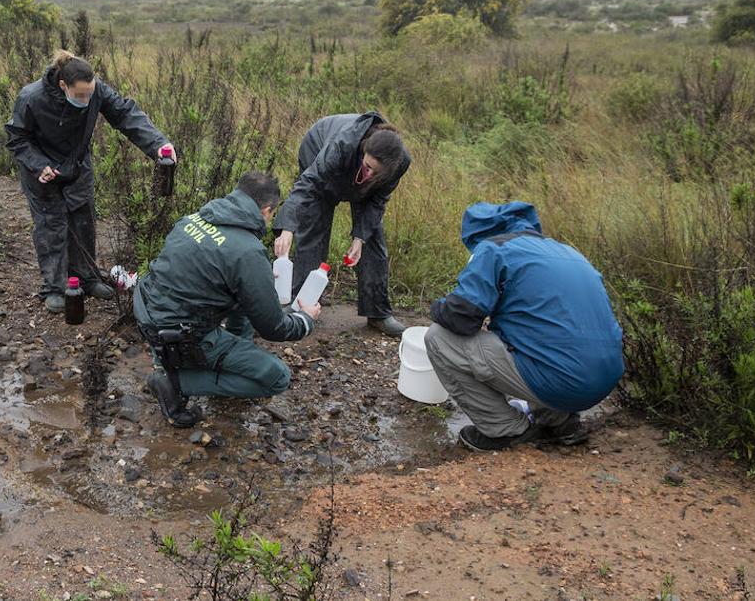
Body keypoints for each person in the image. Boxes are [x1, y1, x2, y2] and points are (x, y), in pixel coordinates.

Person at [427, 201, 624, 452]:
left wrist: (437, 307)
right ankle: (560, 422)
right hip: (604, 380)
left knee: (438, 338)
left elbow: (460, 316)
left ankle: (504, 429)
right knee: (534, 336)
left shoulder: (494, 248)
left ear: (479, 235)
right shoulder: (569, 252)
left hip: (560, 380)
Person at [135, 172, 322, 428]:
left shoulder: (194, 218)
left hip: (147, 315)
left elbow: (206, 273)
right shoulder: (247, 250)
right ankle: (174, 383)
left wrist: (256, 281)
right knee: (277, 377)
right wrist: (305, 320)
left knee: (240, 298)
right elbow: (274, 328)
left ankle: (205, 361)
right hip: (180, 336)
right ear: (267, 210)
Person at [6, 50, 174, 313]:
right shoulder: (32, 97)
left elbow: (125, 114)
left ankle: (87, 277)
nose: (87, 99)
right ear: (63, 86)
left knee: (83, 220)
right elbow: (17, 137)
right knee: (51, 225)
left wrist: (159, 144)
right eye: (80, 95)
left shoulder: (96, 90)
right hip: (41, 170)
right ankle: (55, 287)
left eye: (90, 93)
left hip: (77, 165)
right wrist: (39, 165)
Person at [272, 112, 411, 337]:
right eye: (367, 166)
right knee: (315, 225)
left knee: (373, 236)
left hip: (358, 168)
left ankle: (377, 313)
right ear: (364, 149)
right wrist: (287, 227)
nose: (368, 174)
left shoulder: (400, 162)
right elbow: (308, 185)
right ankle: (300, 307)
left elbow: (377, 202)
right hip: (318, 149)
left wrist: (360, 238)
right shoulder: (342, 144)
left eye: (376, 172)